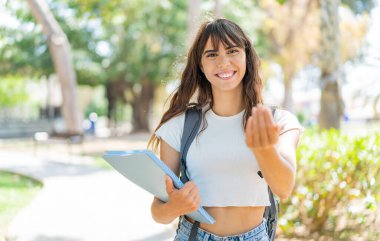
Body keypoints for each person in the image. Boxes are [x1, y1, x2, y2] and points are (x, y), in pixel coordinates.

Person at [148, 18, 303, 241]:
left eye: (232, 51)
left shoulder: (280, 121)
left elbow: (284, 188)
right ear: (201, 65)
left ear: (246, 57)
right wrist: (174, 206)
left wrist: (264, 149)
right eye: (212, 54)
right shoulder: (179, 126)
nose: (223, 62)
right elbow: (158, 212)